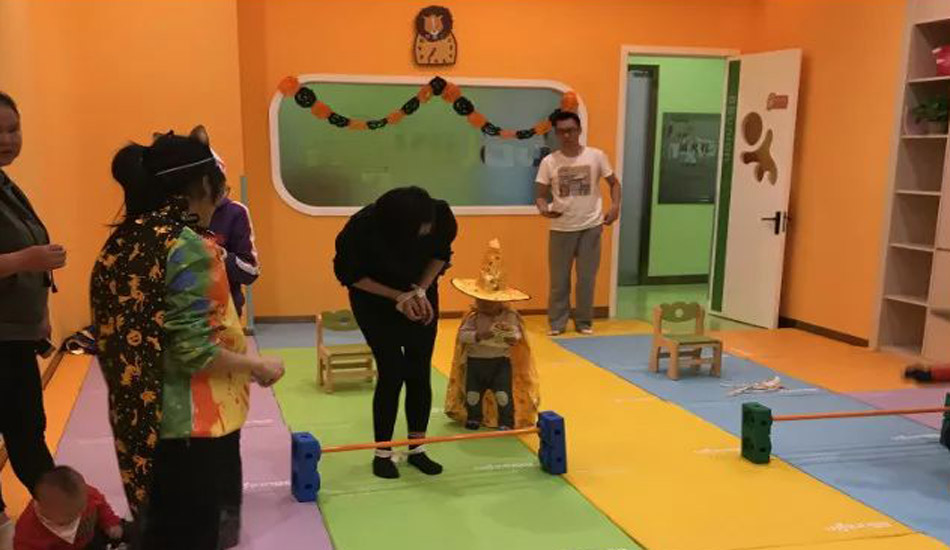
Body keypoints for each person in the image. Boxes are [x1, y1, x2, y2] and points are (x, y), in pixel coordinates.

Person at [90, 133, 285, 550]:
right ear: (204, 186)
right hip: (190, 423)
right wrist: (259, 366)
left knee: (159, 527)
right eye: (220, 189)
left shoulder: (124, 240)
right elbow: (194, 350)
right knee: (192, 531)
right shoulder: (187, 246)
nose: (221, 200)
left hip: (138, 415)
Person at [333, 186, 457, 479]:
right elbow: (350, 276)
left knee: (419, 369)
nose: (427, 230)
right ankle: (382, 452)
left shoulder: (440, 214)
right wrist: (397, 297)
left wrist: (420, 290)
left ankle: (417, 448)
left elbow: (441, 254)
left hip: (419, 292)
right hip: (374, 300)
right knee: (391, 372)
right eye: (420, 228)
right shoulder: (361, 229)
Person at [0, 91, 63, 550]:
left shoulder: (6, 185)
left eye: (13, 129)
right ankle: (66, 519)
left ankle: (63, 517)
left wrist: (40, 315)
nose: (8, 139)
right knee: (25, 435)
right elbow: (23, 258)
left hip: (16, 335)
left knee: (27, 429)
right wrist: (27, 259)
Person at [535, 111, 621, 336]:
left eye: (571, 130)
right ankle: (557, 323)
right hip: (561, 228)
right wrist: (543, 209)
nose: (567, 135)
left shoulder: (596, 156)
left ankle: (583, 321)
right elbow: (540, 195)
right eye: (562, 131)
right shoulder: (549, 162)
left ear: (579, 130)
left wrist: (615, 206)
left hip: (591, 226)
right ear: (556, 134)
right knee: (559, 280)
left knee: (586, 279)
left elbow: (614, 183)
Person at [445, 239, 539, 430]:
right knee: (473, 393)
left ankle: (506, 420)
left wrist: (512, 338)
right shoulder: (474, 316)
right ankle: (474, 417)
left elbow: (516, 335)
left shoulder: (509, 316)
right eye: (480, 301)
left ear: (500, 301)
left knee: (503, 394)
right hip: (476, 361)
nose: (484, 305)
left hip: (500, 362)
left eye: (489, 302)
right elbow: (463, 335)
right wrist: (479, 335)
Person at [189, 126, 260, 320]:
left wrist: (218, 254)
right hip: (185, 313)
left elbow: (251, 272)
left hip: (225, 315)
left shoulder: (235, 212)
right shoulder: (177, 214)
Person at [13, 466, 124, 550]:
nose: (81, 514)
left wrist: (110, 522)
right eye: (71, 516)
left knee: (128, 531)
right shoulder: (28, 531)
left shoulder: (87, 495)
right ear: (44, 511)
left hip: (92, 537)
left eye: (83, 506)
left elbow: (101, 505)